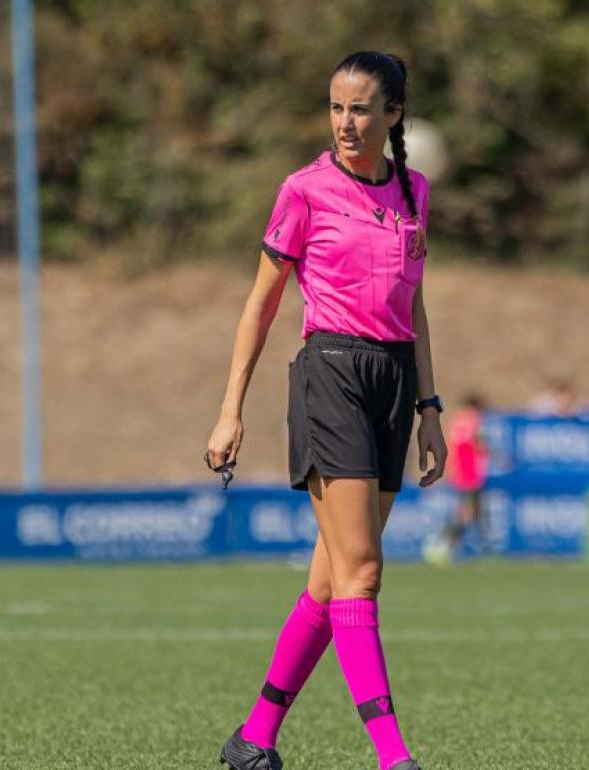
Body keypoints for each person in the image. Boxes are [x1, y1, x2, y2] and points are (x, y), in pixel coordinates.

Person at [206, 51, 446, 770]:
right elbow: (260, 304)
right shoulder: (303, 191)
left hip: (394, 383)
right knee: (364, 571)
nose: (347, 122)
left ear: (393, 115)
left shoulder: (417, 193)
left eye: (363, 108)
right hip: (331, 377)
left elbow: (416, 306)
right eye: (337, 108)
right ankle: (394, 758)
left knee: (330, 577)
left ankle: (253, 739)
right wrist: (230, 410)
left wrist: (430, 407)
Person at [424, 395, 490, 564]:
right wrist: (489, 451)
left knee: (473, 512)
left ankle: (454, 545)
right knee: (467, 513)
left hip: (460, 472)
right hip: (472, 474)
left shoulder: (456, 420)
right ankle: (441, 543)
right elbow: (478, 442)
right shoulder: (474, 420)